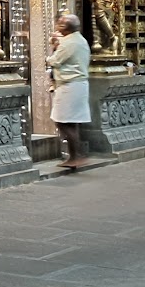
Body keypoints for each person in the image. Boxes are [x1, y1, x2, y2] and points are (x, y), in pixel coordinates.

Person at [46, 13, 91, 170]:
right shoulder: (80, 40)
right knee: (70, 122)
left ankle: (76, 156)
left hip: (70, 85)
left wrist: (54, 47)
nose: (58, 27)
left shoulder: (69, 42)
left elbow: (54, 60)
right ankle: (74, 156)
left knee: (62, 121)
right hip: (77, 85)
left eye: (61, 25)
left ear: (67, 28)